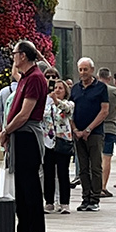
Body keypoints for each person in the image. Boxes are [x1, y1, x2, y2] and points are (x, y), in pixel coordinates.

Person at [0, 40, 48, 232]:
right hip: (19, 136)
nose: (13, 57)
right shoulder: (25, 78)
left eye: (15, 53)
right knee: (20, 187)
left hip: (28, 136)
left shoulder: (36, 78)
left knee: (31, 188)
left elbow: (25, 113)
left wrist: (6, 130)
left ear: (24, 56)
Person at [69, 58, 109, 211]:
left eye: (86, 69)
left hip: (94, 133)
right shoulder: (75, 88)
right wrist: (75, 130)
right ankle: (85, 198)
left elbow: (104, 110)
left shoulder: (101, 88)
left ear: (92, 70)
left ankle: (95, 198)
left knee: (95, 166)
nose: (83, 73)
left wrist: (89, 129)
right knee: (82, 168)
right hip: (78, 133)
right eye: (80, 69)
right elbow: (69, 110)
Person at [43, 79, 75, 215]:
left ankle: (64, 203)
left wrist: (56, 101)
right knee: (48, 174)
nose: (57, 90)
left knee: (63, 173)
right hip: (48, 142)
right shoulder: (46, 104)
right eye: (55, 88)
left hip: (63, 141)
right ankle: (49, 202)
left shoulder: (69, 104)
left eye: (60, 88)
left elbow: (66, 111)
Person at [98, 68, 116, 198]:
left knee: (95, 157)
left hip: (96, 127)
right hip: (111, 127)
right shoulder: (114, 91)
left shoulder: (95, 90)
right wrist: (112, 111)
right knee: (107, 157)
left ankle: (94, 186)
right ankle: (103, 186)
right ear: (109, 78)